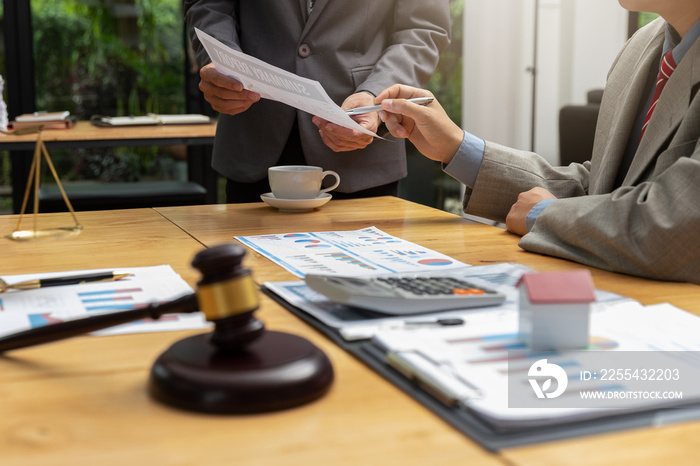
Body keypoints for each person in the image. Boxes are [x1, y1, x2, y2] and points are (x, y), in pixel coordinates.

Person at [374, 0, 700, 284]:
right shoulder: (642, 46)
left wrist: (544, 215)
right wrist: (456, 147)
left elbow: (680, 224)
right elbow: (604, 191)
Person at [184, 0, 450, 203]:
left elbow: (423, 29)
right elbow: (208, 4)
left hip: (360, 150)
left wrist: (376, 94)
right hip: (254, 136)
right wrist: (223, 62)